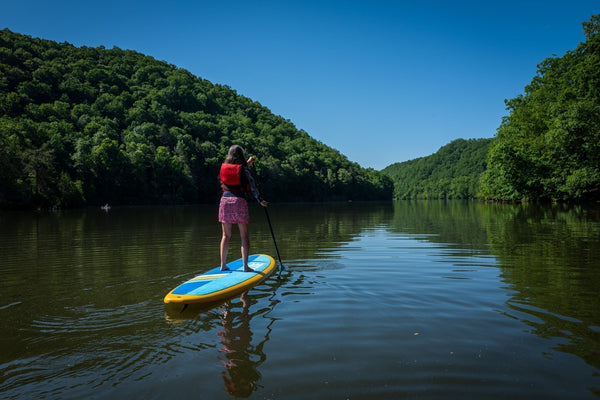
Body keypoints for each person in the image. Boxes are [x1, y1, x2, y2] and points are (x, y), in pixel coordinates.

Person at [218, 145, 268, 272]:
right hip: (239, 201)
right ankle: (245, 267)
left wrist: (247, 163)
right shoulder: (244, 170)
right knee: (244, 236)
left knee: (225, 235)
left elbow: (236, 170)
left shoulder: (224, 167)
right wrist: (260, 200)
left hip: (224, 201)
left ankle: (223, 265)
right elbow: (252, 186)